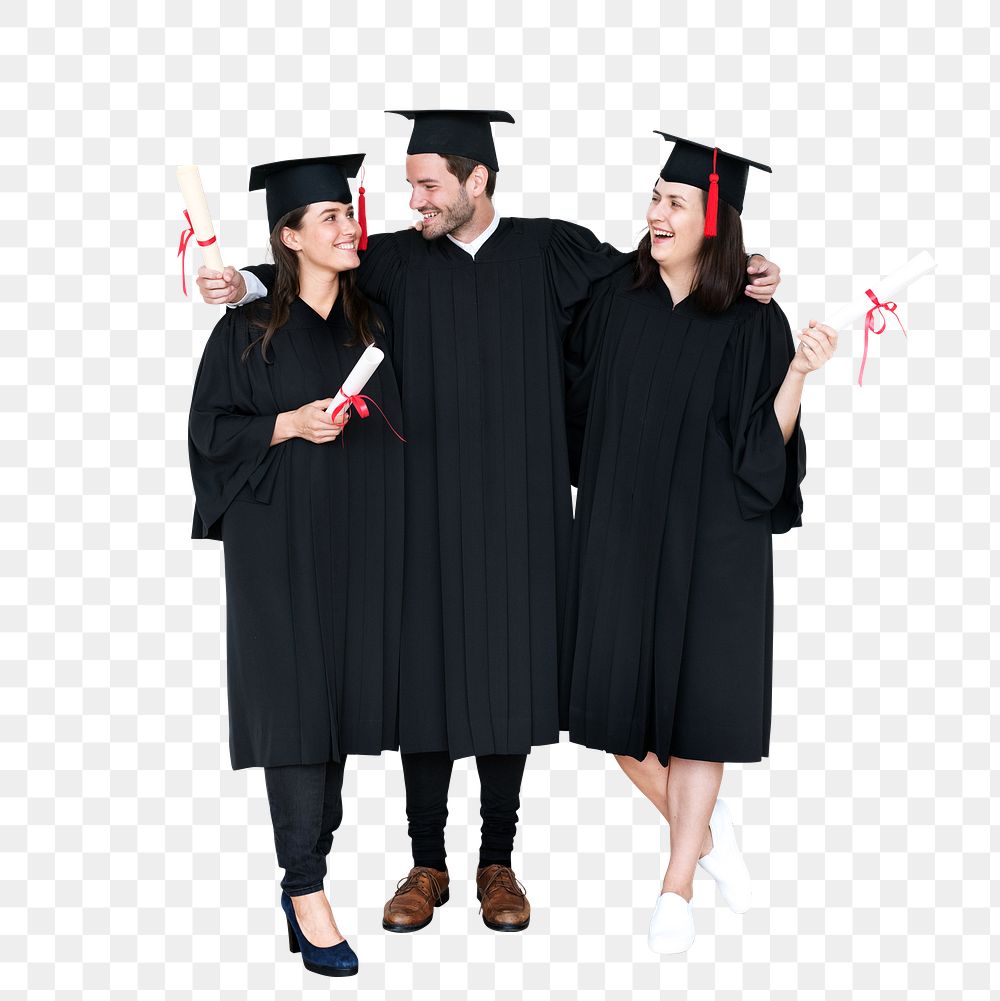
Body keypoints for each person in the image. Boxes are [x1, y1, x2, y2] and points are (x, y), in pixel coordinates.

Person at [196, 112, 783, 934]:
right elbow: (314, 277)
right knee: (424, 685)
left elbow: (655, 277)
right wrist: (248, 282)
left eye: (429, 183)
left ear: (479, 181)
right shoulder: (394, 258)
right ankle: (426, 860)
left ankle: (498, 861)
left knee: (514, 681)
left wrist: (748, 264)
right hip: (416, 509)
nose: (412, 200)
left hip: (522, 508)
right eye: (410, 185)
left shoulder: (553, 251)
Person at [561, 132, 836, 955]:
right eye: (654, 197)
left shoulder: (755, 320)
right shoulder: (615, 296)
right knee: (613, 718)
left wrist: (797, 373)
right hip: (620, 532)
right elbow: (562, 383)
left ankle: (676, 881)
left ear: (716, 219)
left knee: (699, 718)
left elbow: (765, 451)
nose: (655, 212)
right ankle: (707, 839)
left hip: (716, 541)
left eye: (674, 202)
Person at [188, 154, 404, 976]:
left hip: (357, 539)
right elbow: (208, 432)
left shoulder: (370, 322)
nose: (350, 229)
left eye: (349, 216)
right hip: (275, 540)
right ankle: (305, 887)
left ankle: (308, 866)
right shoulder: (247, 328)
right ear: (288, 237)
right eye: (329, 221)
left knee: (340, 705)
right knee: (295, 705)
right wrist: (285, 424)